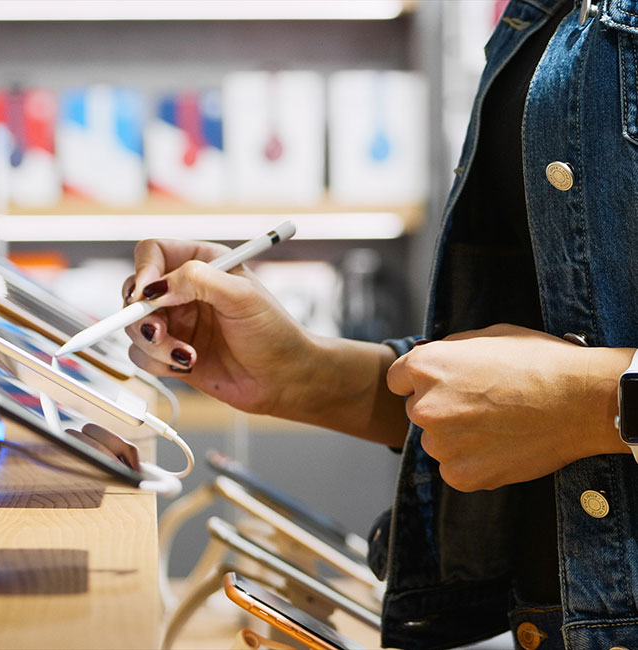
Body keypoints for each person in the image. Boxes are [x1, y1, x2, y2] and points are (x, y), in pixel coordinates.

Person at [121, 0, 638, 647]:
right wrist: (310, 374)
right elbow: (531, 389)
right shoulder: (542, 17)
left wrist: (596, 402)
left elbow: (564, 400)